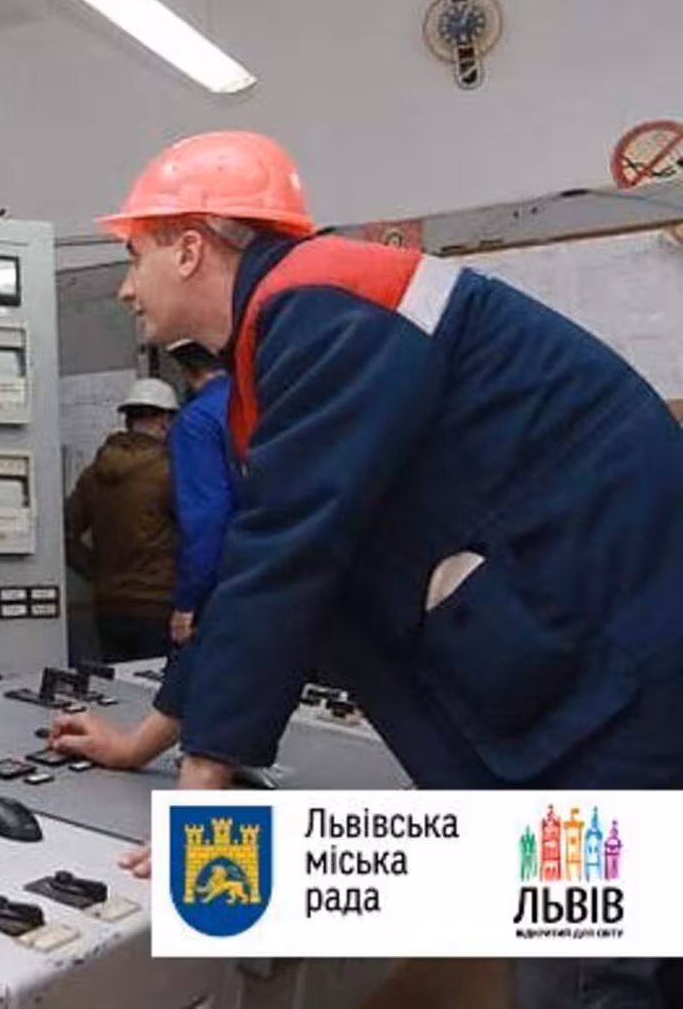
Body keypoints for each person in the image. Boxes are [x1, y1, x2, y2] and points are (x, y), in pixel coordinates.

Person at [46, 130, 683, 1009]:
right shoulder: (296, 328)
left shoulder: (329, 307)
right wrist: (146, 741)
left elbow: (288, 555)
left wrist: (203, 795)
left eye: (134, 255)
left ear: (190, 248)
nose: (124, 286)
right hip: (579, 653)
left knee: (587, 964)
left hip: (610, 671)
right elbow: (261, 559)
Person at [62, 378, 181, 664]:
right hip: (159, 605)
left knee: (119, 685)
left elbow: (64, 534)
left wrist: (97, 572)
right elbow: (197, 532)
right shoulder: (170, 472)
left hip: (108, 606)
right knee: (157, 685)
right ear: (164, 421)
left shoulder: (93, 473)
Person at [164, 340, 234, 649]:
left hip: (225, 584)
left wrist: (187, 600)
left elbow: (207, 516)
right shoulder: (266, 402)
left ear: (185, 371)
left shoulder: (197, 420)